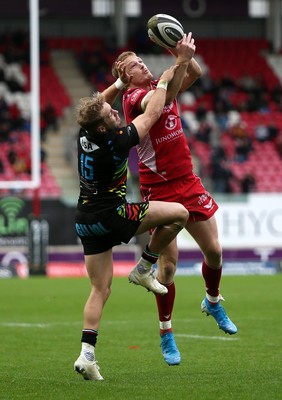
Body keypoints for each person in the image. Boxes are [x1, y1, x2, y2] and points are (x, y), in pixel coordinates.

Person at [112, 32, 238, 366]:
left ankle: (212, 301)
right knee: (168, 267)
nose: (141, 63)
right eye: (134, 64)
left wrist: (176, 49)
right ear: (126, 77)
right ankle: (166, 334)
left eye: (140, 59)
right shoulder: (135, 98)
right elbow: (160, 102)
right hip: (159, 188)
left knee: (214, 252)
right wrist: (177, 63)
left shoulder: (159, 83)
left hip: (188, 180)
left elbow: (194, 73)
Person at [73, 64, 190, 381]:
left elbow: (98, 105)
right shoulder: (116, 140)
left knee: (100, 289)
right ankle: (144, 267)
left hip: (84, 219)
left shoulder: (86, 132)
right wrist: (164, 80)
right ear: (103, 128)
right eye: (110, 115)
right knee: (180, 213)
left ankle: (87, 354)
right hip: (112, 215)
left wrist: (118, 83)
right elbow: (151, 116)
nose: (114, 113)